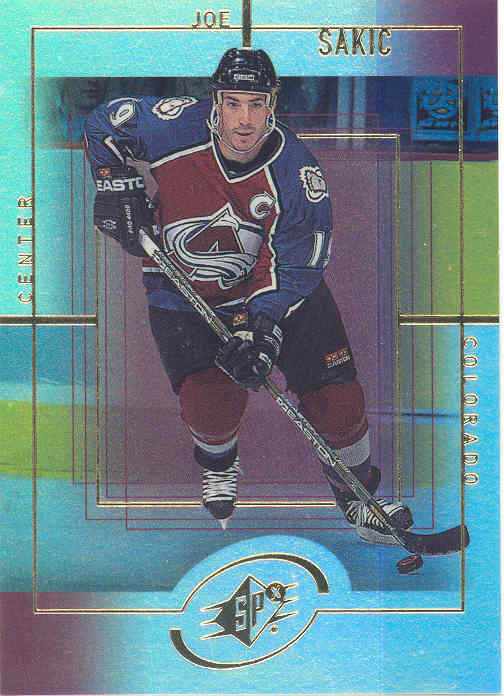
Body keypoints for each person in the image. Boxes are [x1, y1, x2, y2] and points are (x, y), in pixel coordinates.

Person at [84, 48, 413, 543]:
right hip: (184, 293)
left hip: (280, 295)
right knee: (208, 406)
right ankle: (219, 465)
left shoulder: (297, 174)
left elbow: (298, 265)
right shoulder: (172, 127)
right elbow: (103, 123)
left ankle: (360, 498)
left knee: (339, 403)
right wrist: (115, 186)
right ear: (215, 101)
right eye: (233, 102)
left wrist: (260, 329)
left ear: (272, 105)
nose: (244, 119)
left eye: (256, 104)